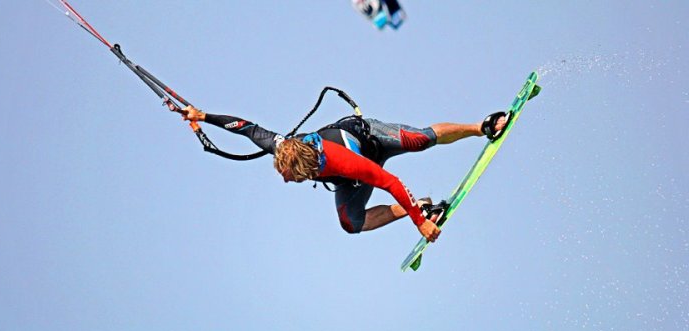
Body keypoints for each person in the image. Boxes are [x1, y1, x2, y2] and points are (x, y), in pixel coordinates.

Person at [181, 106, 509, 242]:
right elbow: (245, 128)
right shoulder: (284, 148)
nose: (284, 179)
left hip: (372, 141)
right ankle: (422, 206)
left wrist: (418, 226)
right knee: (351, 224)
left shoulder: (339, 162)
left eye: (289, 177)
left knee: (419, 139)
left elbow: (390, 183)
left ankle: (480, 127)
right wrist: (202, 115)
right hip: (351, 178)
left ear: (306, 169)